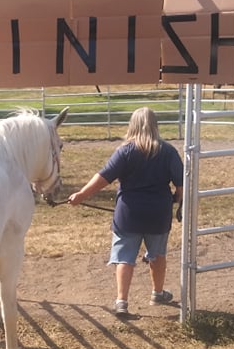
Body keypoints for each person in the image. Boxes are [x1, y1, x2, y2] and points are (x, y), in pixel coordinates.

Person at [67, 107, 183, 316]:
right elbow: (180, 183)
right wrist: (178, 198)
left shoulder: (125, 151)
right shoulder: (168, 151)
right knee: (157, 254)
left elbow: (103, 177)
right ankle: (157, 293)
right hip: (158, 213)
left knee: (124, 257)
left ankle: (122, 301)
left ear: (133, 125)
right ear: (155, 126)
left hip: (128, 214)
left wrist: (82, 195)